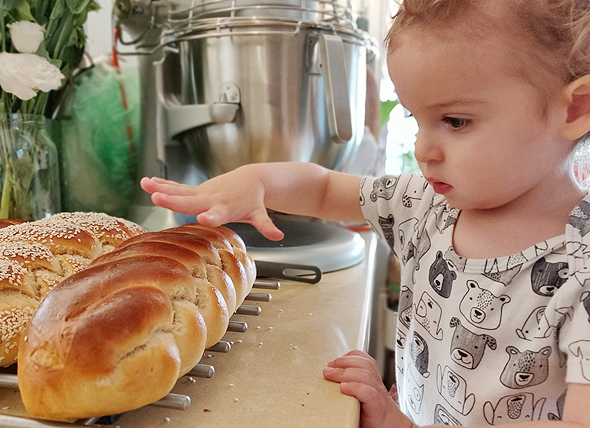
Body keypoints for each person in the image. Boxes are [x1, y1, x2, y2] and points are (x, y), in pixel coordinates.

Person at [140, 0, 590, 427]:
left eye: (455, 122)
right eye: (416, 119)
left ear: (575, 108)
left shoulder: (580, 268)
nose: (423, 150)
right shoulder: (424, 206)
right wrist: (259, 180)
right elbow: (323, 190)